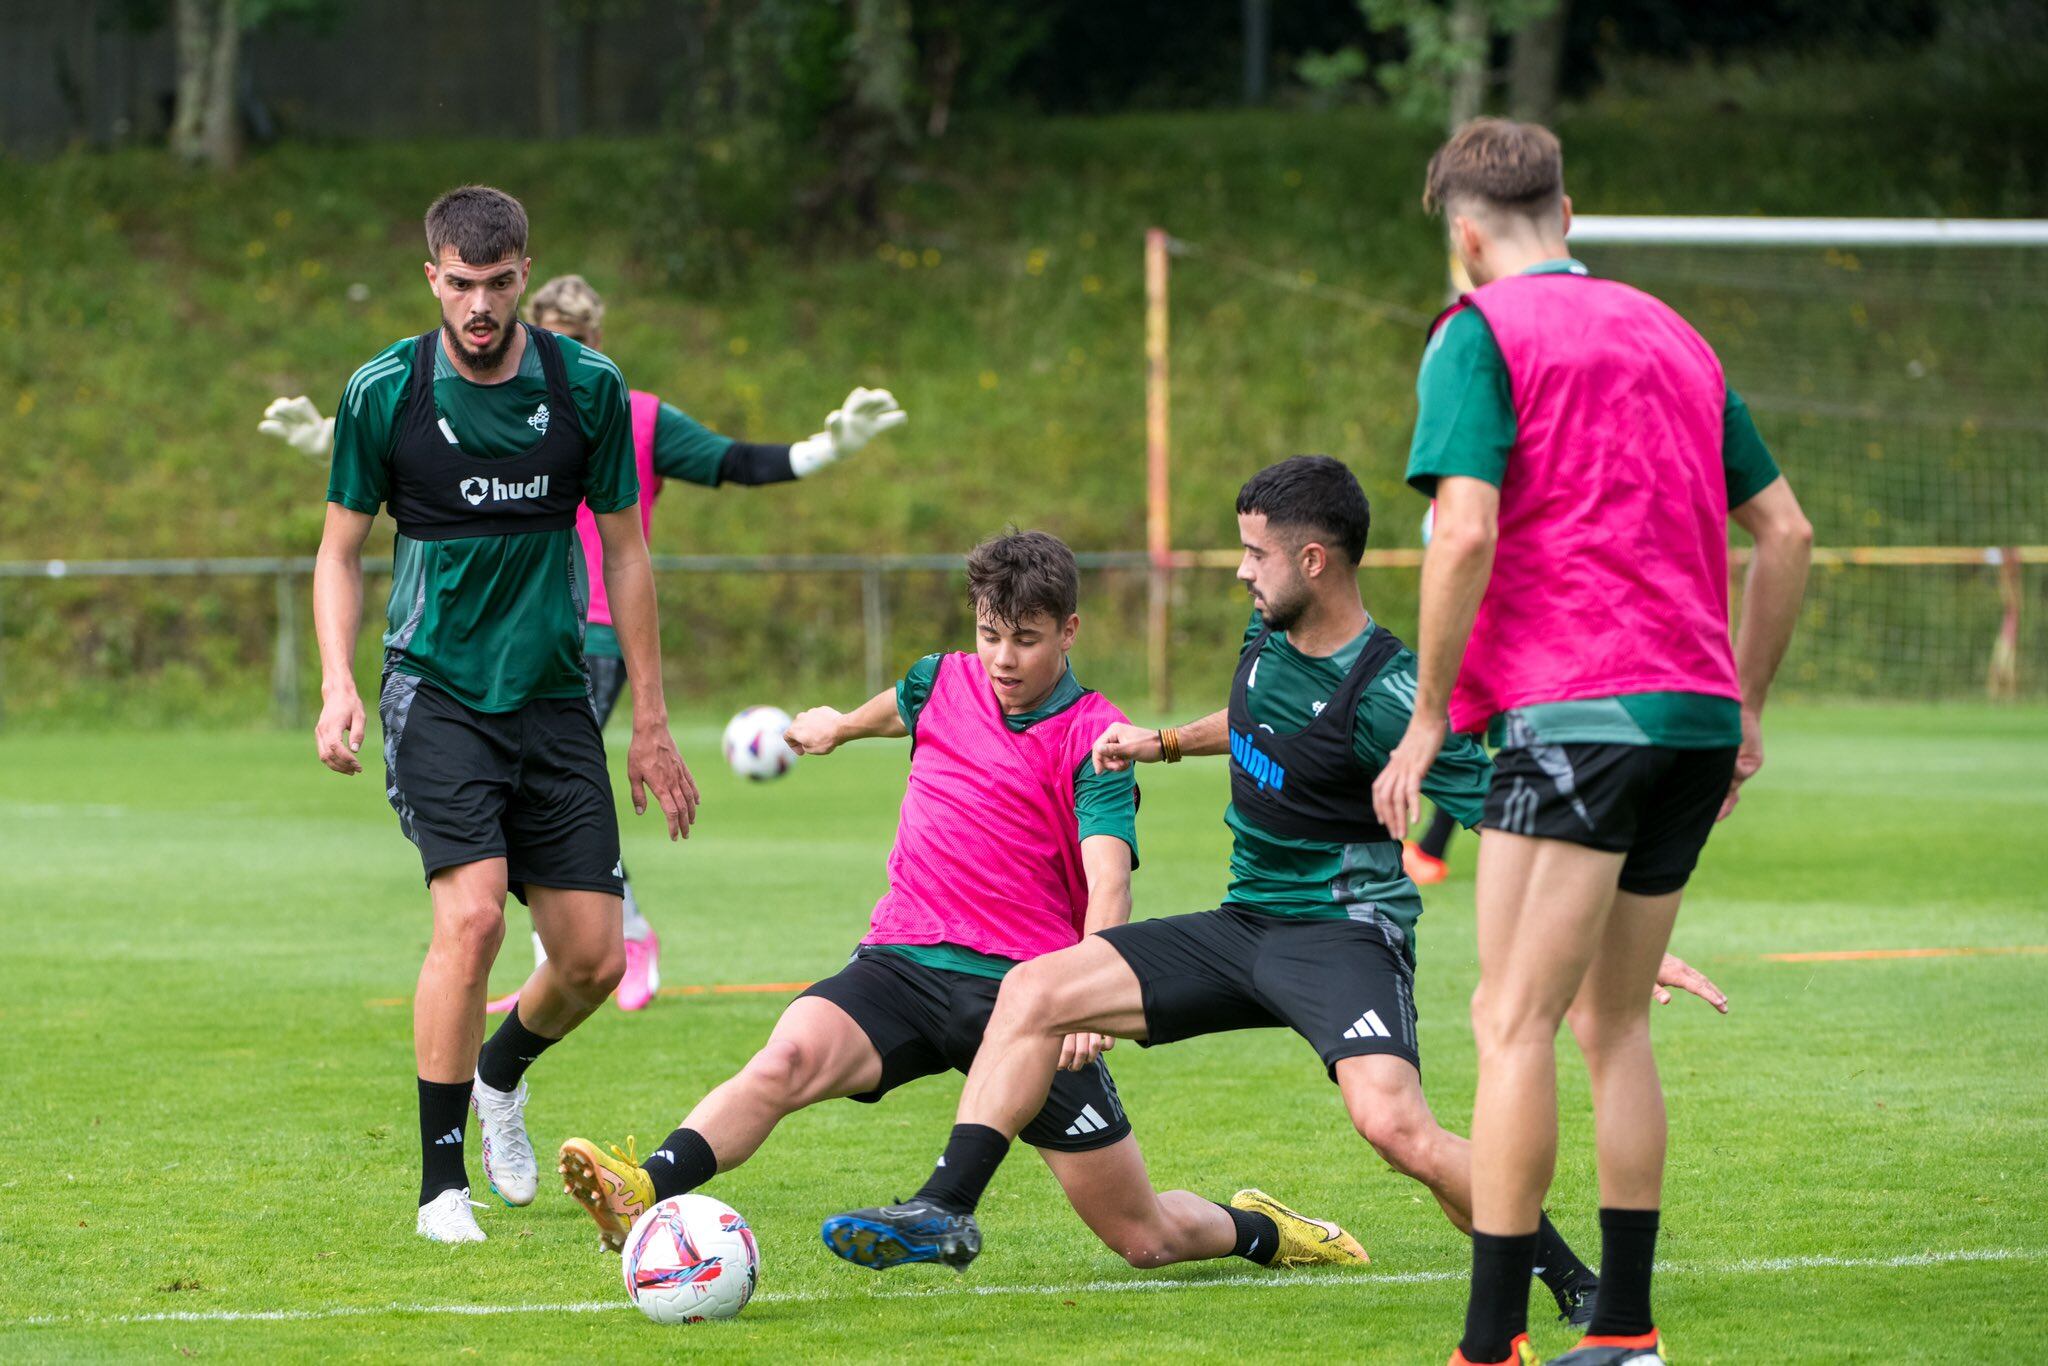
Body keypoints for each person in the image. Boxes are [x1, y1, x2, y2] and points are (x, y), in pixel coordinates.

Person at [821, 458, 1729, 1318]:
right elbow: (1260, 711)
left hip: (1342, 935)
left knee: (1395, 1129)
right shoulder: (1271, 626)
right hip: (1245, 923)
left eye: (1256, 553)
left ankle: (1570, 1279)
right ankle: (944, 1208)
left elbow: (1514, 819)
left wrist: (1624, 940)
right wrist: (1165, 741)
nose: (1242, 570)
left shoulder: (1388, 694)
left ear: (1313, 560)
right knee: (1035, 988)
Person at [555, 530, 1366, 1275]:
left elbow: (1109, 874)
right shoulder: (941, 677)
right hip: (903, 963)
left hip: (1026, 1000)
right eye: (990, 635)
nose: (1002, 660)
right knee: (788, 1058)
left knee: (1142, 1237)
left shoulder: (1096, 734)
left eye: (1026, 639)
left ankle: (1264, 1229)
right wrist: (838, 726)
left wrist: (1092, 991)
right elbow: (899, 706)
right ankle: (645, 1186)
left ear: (1069, 631)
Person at [1367, 120, 1811, 1366]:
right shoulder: (1674, 332)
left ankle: (1487, 1347)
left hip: (1572, 713)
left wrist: (1427, 714)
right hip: (1691, 716)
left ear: (1461, 235)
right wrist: (1748, 710)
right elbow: (1784, 534)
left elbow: (1460, 533)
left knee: (1508, 1019)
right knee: (1610, 1025)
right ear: (1568, 215)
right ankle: (1621, 1331)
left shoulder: (1476, 333)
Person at [265, 273, 906, 1013]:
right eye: (551, 332)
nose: (561, 349)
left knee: (550, 802)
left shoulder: (618, 409)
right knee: (533, 806)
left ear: (597, 344)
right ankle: (580, 944)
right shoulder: (460, 393)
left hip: (590, 636)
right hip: (497, 636)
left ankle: (598, 941)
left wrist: (826, 448)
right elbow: (417, 472)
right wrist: (330, 441)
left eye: (578, 338)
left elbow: (734, 463)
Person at [311, 185, 697, 1244]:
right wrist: (341, 683)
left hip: (552, 699)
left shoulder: (586, 389)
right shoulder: (384, 391)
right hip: (433, 689)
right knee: (473, 916)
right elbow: (339, 552)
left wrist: (650, 719)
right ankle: (443, 1185)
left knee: (592, 959)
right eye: (459, 284)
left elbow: (625, 550)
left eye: (496, 283)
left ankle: (498, 1078)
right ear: (431, 277)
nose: (478, 304)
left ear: (524, 274)